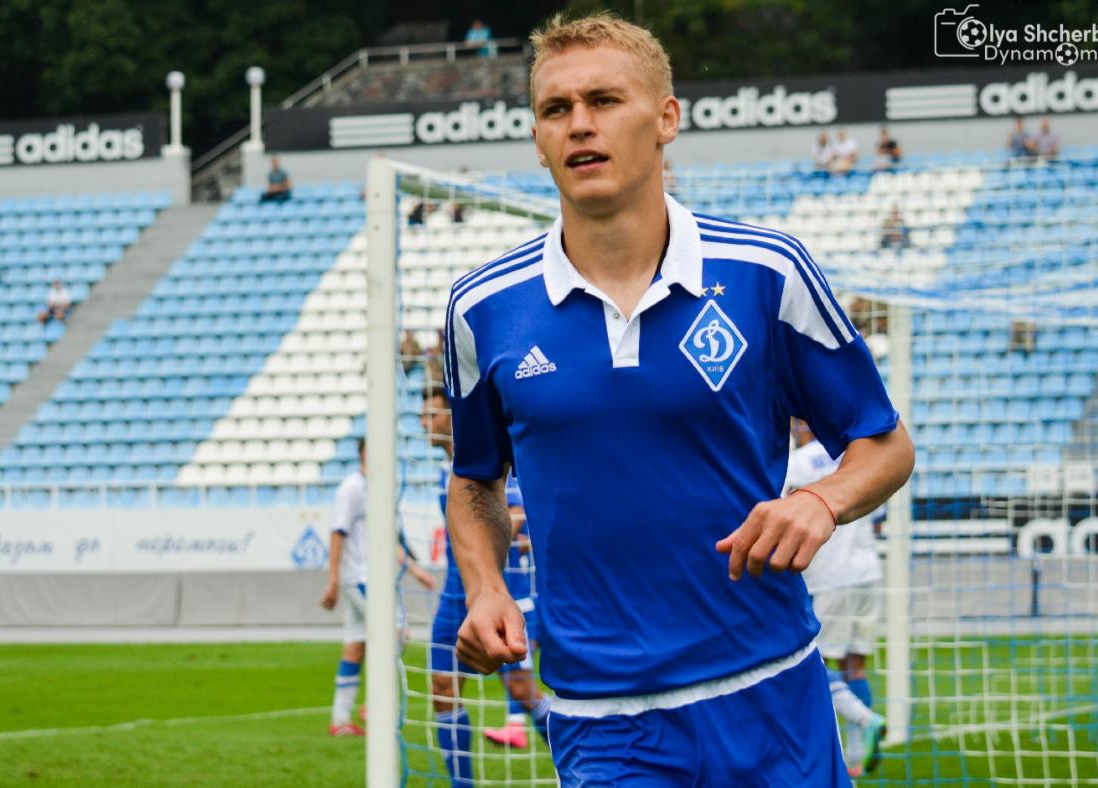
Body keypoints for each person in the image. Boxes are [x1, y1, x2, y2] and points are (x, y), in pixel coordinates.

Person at [442, 12, 914, 785]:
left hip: (772, 693)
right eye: (556, 108)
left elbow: (885, 445)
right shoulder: (482, 309)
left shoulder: (767, 273)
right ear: (537, 138)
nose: (580, 124)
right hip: (604, 720)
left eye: (604, 100)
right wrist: (487, 587)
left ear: (666, 119)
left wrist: (821, 501)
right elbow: (473, 481)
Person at [423, 384, 553, 785]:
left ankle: (579, 763)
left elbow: (515, 512)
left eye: (433, 415)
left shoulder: (490, 462)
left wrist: (509, 533)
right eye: (422, 416)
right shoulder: (444, 472)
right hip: (454, 594)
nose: (426, 423)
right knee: (442, 688)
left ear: (452, 418)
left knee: (523, 691)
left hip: (502, 592)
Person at [785, 420, 887, 777]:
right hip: (868, 571)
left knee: (819, 665)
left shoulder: (801, 462)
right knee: (855, 665)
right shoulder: (858, 458)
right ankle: (858, 753)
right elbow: (878, 521)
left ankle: (862, 722)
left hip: (829, 577)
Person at [320, 437, 435, 737]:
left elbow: (387, 540)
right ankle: (374, 704)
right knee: (396, 632)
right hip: (360, 578)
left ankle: (340, 719)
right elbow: (337, 533)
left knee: (356, 646)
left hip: (374, 578)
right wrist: (333, 579)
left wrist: (415, 570)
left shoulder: (380, 490)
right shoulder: (352, 488)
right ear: (364, 454)